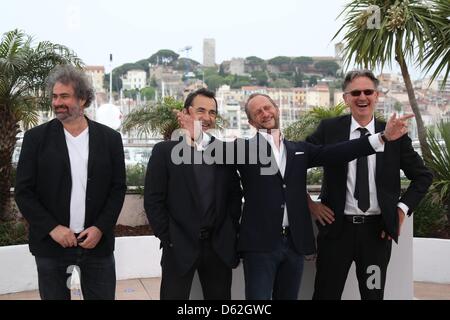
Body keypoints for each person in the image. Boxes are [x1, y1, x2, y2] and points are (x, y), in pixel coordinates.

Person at [235, 92, 412, 300]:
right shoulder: (241, 149)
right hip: (259, 247)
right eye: (258, 112)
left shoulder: (299, 150)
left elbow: (340, 151)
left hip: (294, 245)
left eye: (268, 107)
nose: (265, 113)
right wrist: (195, 135)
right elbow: (210, 155)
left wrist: (381, 137)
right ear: (250, 121)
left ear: (277, 109)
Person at [306, 70, 433, 300]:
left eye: (368, 92)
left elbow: (423, 177)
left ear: (376, 96)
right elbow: (295, 162)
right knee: (326, 294)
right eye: (355, 92)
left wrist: (401, 211)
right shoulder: (329, 129)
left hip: (376, 235)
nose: (362, 97)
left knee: (373, 295)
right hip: (336, 233)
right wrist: (310, 204)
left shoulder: (395, 134)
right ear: (345, 98)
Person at [15, 65, 126, 300]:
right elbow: (24, 192)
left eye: (64, 96)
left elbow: (118, 189)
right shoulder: (35, 139)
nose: (57, 102)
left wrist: (99, 228)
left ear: (83, 99)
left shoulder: (110, 140)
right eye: (54, 97)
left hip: (97, 245)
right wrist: (53, 229)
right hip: (51, 246)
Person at [144, 88, 242, 300]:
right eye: (201, 110)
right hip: (178, 246)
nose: (207, 117)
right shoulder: (164, 152)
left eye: (213, 112)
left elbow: (235, 195)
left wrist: (229, 229)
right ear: (185, 113)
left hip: (218, 248)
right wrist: (168, 237)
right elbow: (153, 200)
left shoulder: (223, 151)